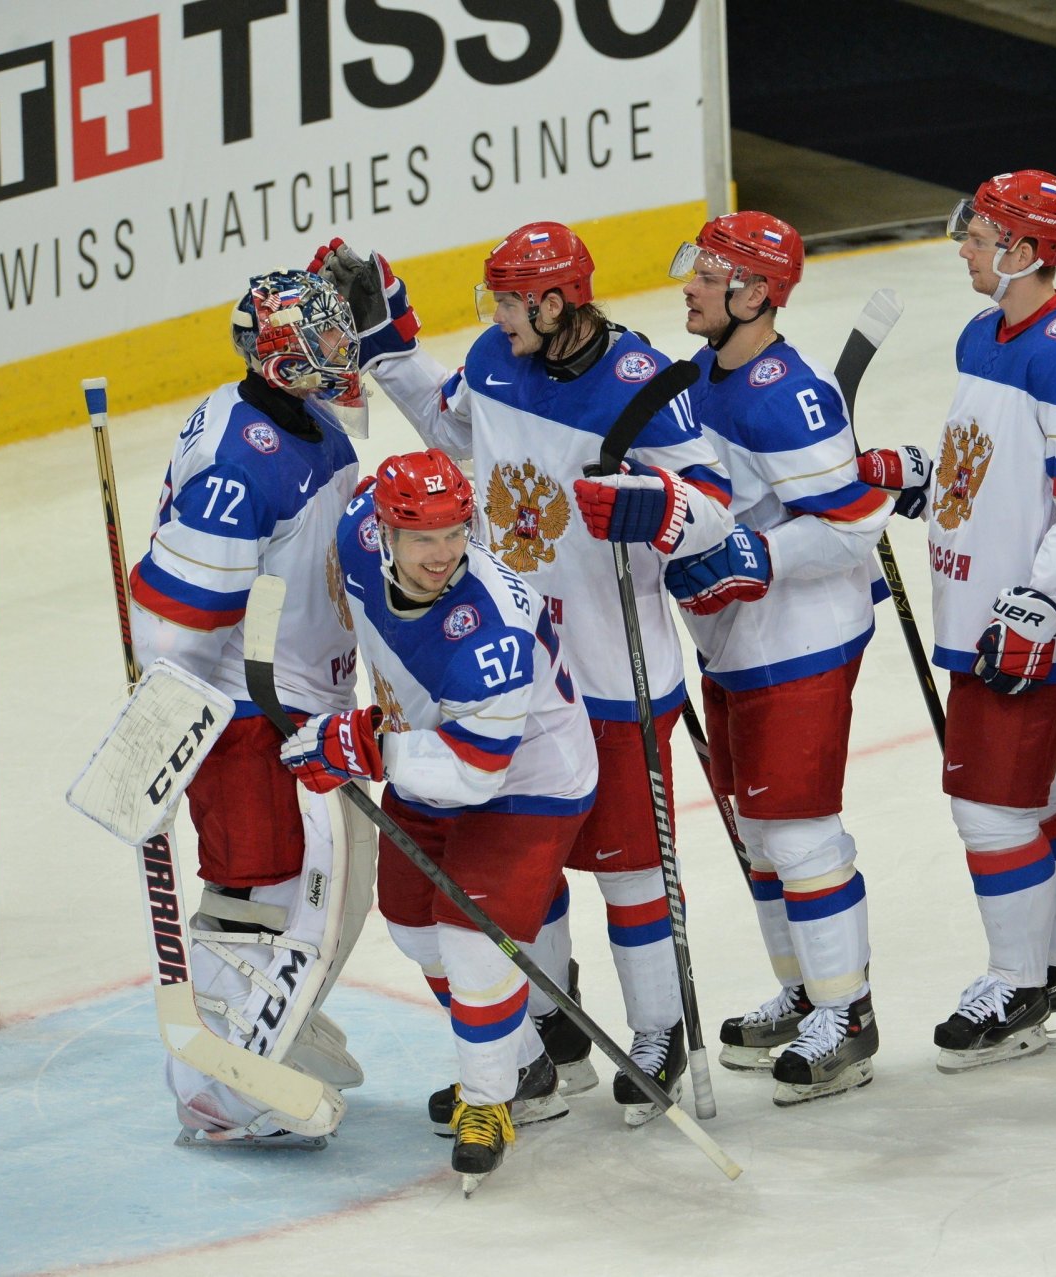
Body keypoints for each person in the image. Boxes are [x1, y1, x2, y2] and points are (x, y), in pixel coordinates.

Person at [315, 223, 733, 1124]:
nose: (497, 317)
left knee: (630, 872)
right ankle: (541, 1041)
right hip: (512, 677)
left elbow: (716, 509)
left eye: (509, 301)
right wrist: (390, 347)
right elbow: (451, 426)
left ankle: (658, 1028)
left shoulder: (644, 383)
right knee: (524, 873)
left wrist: (655, 506)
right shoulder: (495, 359)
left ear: (555, 302)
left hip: (617, 672)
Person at [860, 169, 1056, 1070]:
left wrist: (1039, 607)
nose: (964, 247)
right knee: (1033, 798)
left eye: (978, 236)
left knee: (989, 808)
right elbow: (992, 467)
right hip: (984, 605)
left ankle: (1017, 984)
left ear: (1024, 251)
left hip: (1025, 622)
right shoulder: (987, 333)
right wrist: (920, 476)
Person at [282, 448, 598, 1191]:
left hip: (527, 778)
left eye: (457, 531)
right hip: (429, 749)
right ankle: (524, 1066)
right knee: (413, 926)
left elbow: (475, 771)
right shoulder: (358, 529)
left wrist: (366, 744)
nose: (444, 552)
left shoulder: (490, 629)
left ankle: (488, 1100)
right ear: (385, 532)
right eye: (423, 536)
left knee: (471, 938)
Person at [130, 269, 370, 1146]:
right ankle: (216, 1092)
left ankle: (280, 1024)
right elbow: (176, 627)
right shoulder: (242, 461)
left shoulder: (308, 422)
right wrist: (163, 741)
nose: (343, 355)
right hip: (245, 716)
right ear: (278, 358)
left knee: (342, 887)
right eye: (326, 342)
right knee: (259, 898)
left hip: (305, 701)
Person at [658, 210, 892, 1103]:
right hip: (732, 643)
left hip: (803, 641)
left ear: (755, 293)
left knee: (798, 831)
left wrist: (759, 554)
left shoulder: (787, 397)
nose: (690, 283)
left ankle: (850, 1013)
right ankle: (808, 992)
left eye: (708, 273)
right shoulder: (696, 379)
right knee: (758, 835)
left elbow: (856, 526)